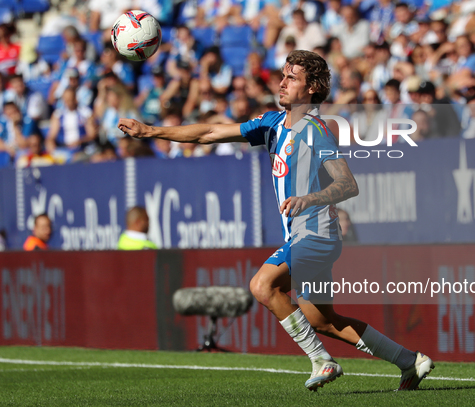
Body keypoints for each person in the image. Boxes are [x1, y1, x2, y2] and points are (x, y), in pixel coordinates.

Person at [118, 50, 434, 392]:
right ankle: (410, 361)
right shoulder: (272, 124)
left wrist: (309, 198)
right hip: (304, 235)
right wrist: (151, 130)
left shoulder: (316, 131)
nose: (281, 83)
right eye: (283, 76)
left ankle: (321, 361)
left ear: (311, 88)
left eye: (292, 78)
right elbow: (208, 131)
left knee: (262, 285)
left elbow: (348, 184)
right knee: (322, 320)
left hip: (316, 234)